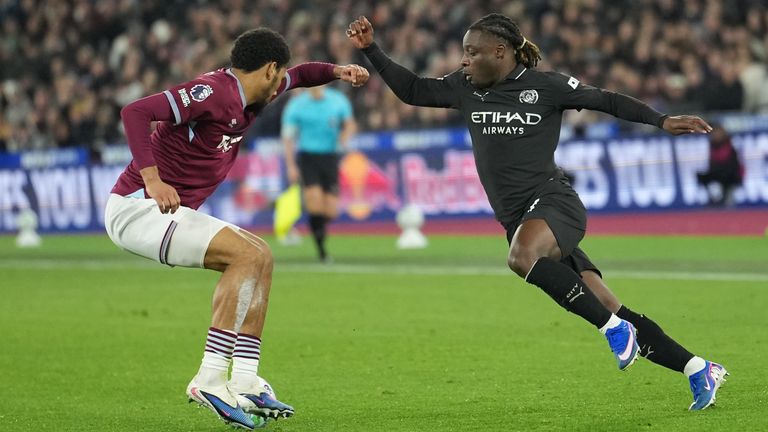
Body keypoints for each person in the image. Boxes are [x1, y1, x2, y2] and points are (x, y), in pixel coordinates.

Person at [347, 13, 727, 411]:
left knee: (521, 257)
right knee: (608, 303)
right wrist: (371, 49)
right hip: (520, 218)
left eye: (472, 52)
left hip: (554, 202)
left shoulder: (548, 86)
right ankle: (697, 368)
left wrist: (661, 120)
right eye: (464, 52)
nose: (463, 61)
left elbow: (607, 99)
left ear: (501, 51)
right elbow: (412, 90)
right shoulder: (466, 88)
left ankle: (614, 331)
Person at [104, 28, 369, 430]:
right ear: (268, 69)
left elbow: (302, 75)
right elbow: (135, 112)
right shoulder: (213, 92)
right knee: (245, 254)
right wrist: (153, 179)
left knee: (261, 255)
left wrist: (337, 71)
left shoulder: (260, 89)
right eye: (279, 75)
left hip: (169, 213)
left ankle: (244, 378)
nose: (284, 83)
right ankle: (210, 377)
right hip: (138, 208)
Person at [281, 85, 356, 261]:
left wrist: (345, 135)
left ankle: (315, 226)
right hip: (308, 158)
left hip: (330, 158)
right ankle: (322, 251)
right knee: (315, 202)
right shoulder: (297, 105)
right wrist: (291, 165)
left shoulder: (338, 100)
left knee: (331, 211)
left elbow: (350, 123)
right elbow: (288, 137)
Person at [697, 125, 743, 207]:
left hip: (730, 174)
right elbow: (712, 164)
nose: (715, 135)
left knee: (726, 176)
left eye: (718, 133)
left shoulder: (730, 146)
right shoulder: (712, 146)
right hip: (718, 173)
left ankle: (725, 199)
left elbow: (734, 165)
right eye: (714, 134)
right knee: (702, 176)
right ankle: (713, 199)